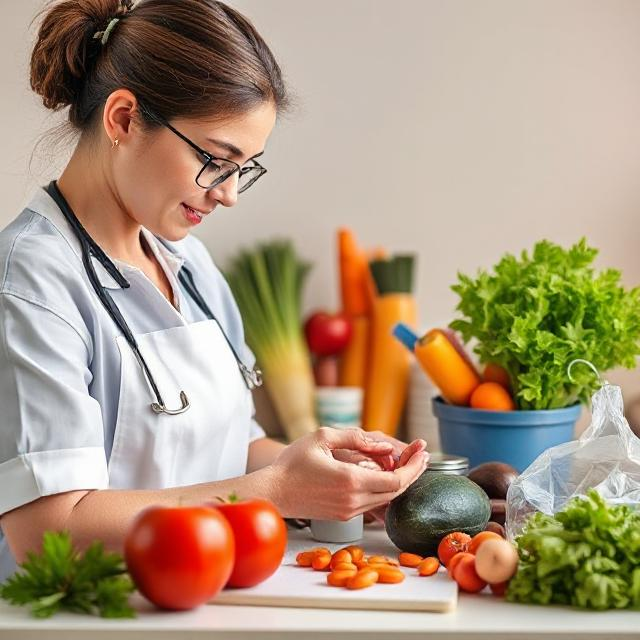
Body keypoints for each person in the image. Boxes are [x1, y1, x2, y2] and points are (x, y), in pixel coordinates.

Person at [0, 0, 428, 582]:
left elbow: (229, 445)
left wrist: (330, 478)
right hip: (87, 615)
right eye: (217, 161)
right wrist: (273, 492)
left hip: (199, 598)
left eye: (244, 169)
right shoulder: (29, 282)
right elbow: (49, 533)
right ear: (123, 118)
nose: (227, 195)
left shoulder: (188, 262)